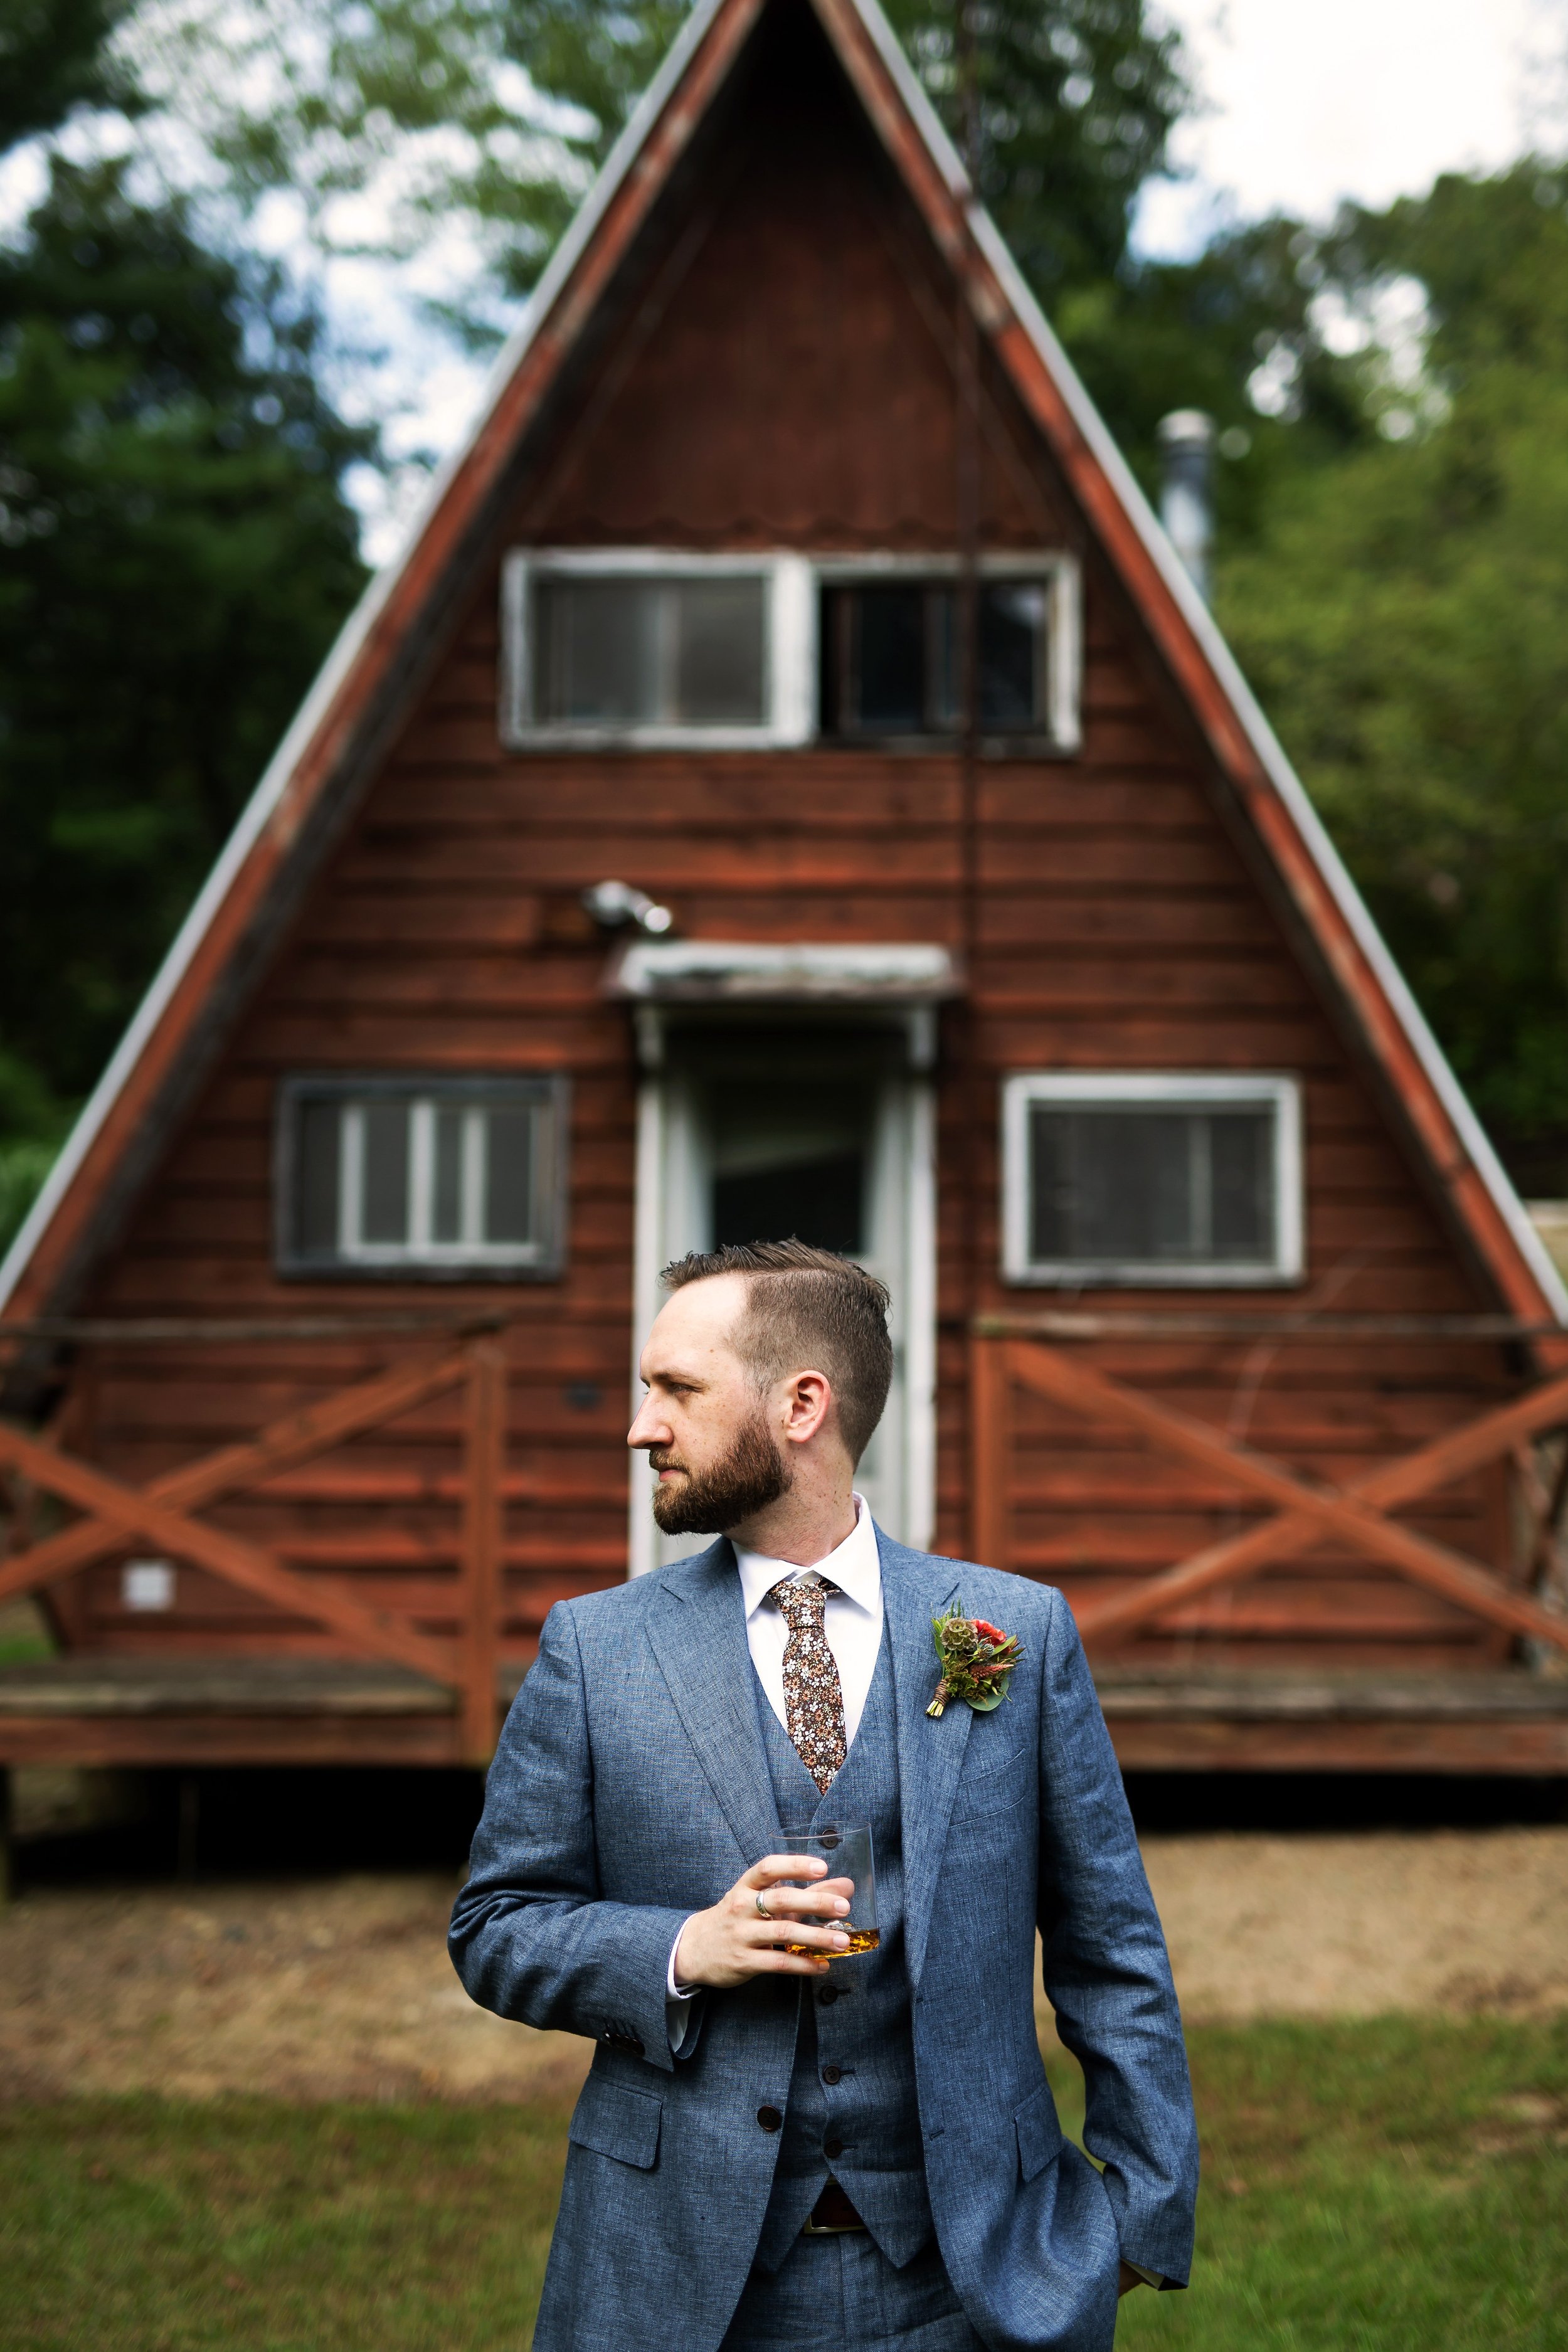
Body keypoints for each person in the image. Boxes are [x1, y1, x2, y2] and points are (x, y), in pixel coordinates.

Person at [450, 1240, 1198, 2351]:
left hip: (974, 2278)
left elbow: (1111, 1945)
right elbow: (495, 1925)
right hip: (686, 2281)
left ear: (802, 1404)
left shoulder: (1014, 1633)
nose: (640, 1424)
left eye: (678, 1389)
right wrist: (681, 1949)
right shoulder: (594, 1650)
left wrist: (1137, 2217)